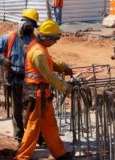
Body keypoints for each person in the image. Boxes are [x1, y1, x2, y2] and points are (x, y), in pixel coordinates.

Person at [15, 19, 74, 160]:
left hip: (42, 95)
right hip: (37, 96)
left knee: (50, 126)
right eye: (54, 39)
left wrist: (61, 66)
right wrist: (65, 87)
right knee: (33, 128)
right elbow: (49, 76)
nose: (55, 42)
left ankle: (61, 154)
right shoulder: (38, 52)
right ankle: (22, 157)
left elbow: (50, 61)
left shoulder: (38, 46)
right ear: (46, 37)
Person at [0, 8, 39, 143]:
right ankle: (19, 135)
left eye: (33, 27)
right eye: (30, 26)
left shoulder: (34, 39)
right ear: (24, 23)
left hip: (30, 80)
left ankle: (34, 136)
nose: (32, 29)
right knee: (17, 109)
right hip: (15, 78)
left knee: (31, 109)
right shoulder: (10, 37)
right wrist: (3, 60)